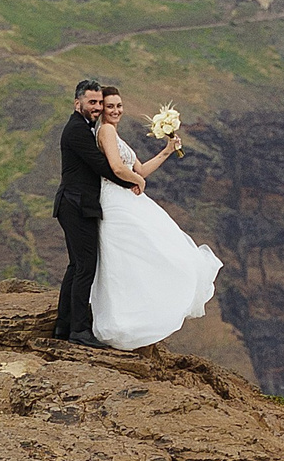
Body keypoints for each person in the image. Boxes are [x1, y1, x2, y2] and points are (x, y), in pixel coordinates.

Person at [89, 86, 223, 349]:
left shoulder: (115, 133)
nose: (116, 110)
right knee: (133, 254)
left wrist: (167, 150)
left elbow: (139, 169)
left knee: (144, 252)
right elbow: (118, 168)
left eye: (119, 105)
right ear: (101, 109)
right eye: (110, 106)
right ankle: (122, 320)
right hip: (115, 200)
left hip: (126, 197)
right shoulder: (105, 131)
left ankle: (132, 315)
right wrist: (137, 180)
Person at [53, 76, 133, 345]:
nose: (97, 106)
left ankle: (63, 326)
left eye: (100, 102)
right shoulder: (76, 129)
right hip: (76, 205)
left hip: (76, 204)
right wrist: (131, 182)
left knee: (76, 266)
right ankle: (79, 330)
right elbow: (99, 164)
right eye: (92, 102)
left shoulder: (85, 126)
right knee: (85, 267)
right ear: (78, 104)